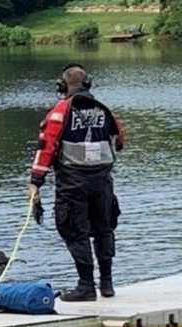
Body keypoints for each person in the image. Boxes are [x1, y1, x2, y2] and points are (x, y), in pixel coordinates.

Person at [28, 63, 125, 302]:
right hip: (103, 182)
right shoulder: (104, 110)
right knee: (104, 229)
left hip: (73, 183)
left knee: (74, 230)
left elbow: (46, 147)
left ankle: (85, 286)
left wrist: (35, 182)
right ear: (88, 83)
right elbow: (120, 141)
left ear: (62, 86)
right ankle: (107, 284)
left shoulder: (60, 111)